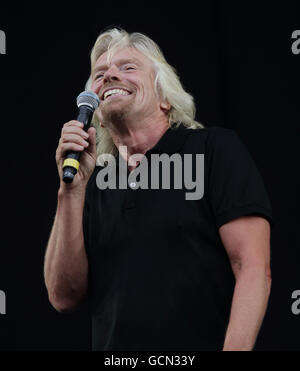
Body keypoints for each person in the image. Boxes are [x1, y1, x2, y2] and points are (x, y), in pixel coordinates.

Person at [44, 28, 273, 351]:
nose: (109, 75)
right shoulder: (94, 180)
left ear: (165, 98)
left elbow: (251, 266)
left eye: (127, 67)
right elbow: (63, 296)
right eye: (100, 73)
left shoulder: (213, 150)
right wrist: (70, 192)